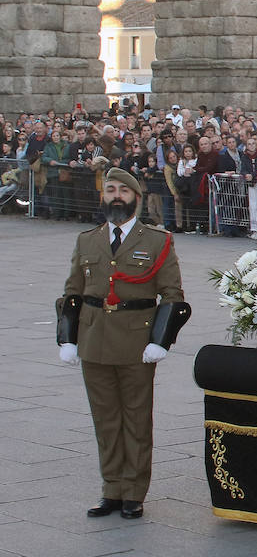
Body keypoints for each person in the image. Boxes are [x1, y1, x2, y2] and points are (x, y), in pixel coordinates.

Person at [56, 167, 190, 521]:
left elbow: (173, 295)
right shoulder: (87, 240)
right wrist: (67, 339)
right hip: (93, 340)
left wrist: (160, 341)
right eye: (110, 189)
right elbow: (72, 293)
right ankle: (111, 489)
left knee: (135, 419)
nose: (116, 195)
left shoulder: (157, 241)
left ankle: (133, 492)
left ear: (136, 198)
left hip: (135, 343)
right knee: (105, 420)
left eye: (123, 191)